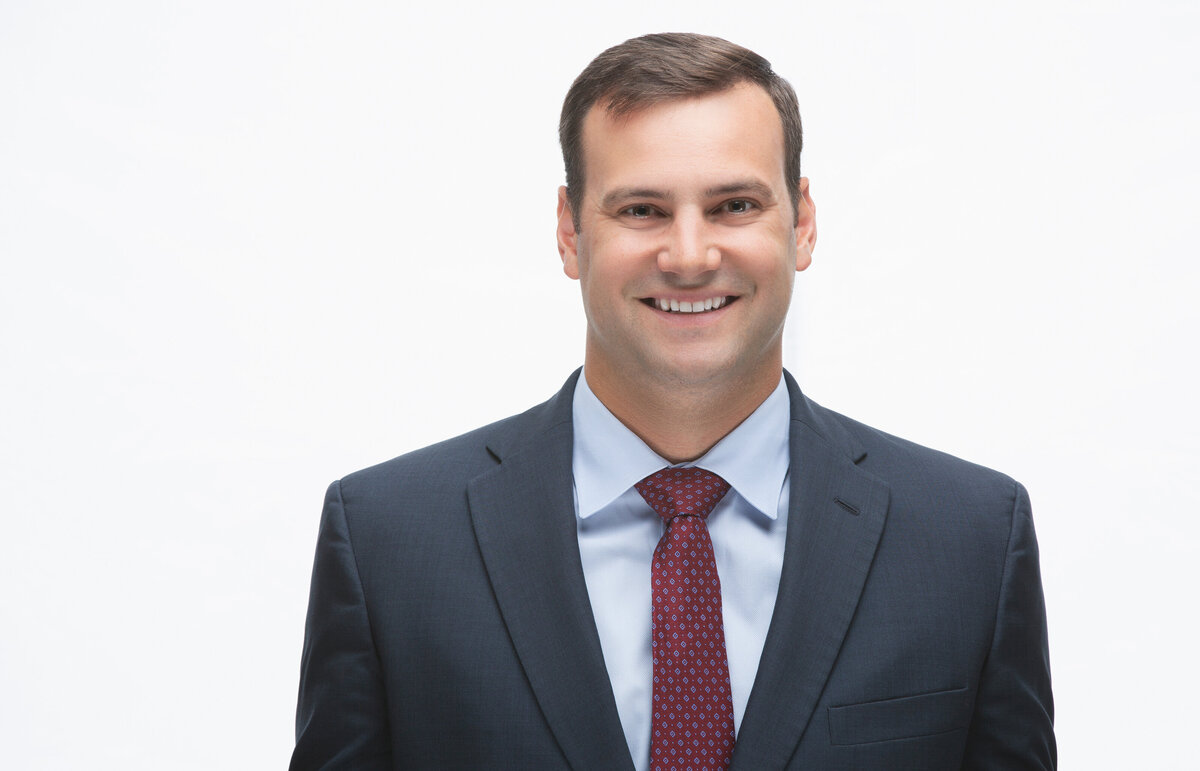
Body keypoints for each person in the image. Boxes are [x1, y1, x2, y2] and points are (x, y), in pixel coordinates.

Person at [290, 32, 1055, 770]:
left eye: (733, 205)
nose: (689, 256)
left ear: (804, 223)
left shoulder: (970, 542)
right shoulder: (389, 542)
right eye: (642, 210)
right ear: (569, 232)